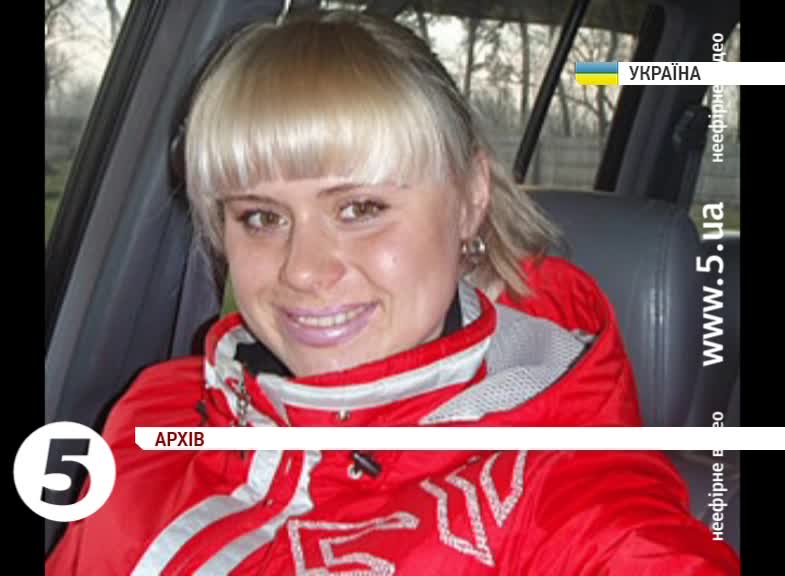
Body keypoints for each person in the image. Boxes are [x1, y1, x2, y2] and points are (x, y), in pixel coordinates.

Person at [47, 10, 740, 575]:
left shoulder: (559, 488)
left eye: (360, 208)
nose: (303, 271)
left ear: (470, 199)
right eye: (260, 217)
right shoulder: (158, 412)